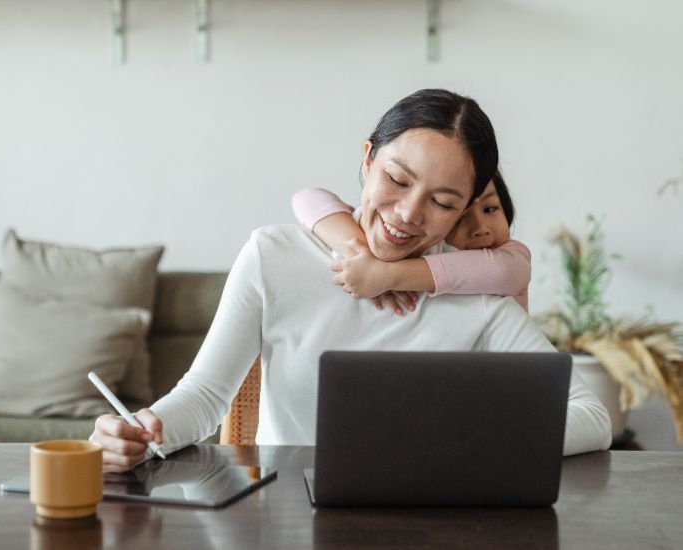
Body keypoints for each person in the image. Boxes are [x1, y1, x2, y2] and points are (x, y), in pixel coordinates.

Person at [91, 89, 611, 472]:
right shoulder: (274, 256)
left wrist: (474, 439)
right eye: (397, 179)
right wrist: (140, 430)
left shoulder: (476, 294)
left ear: (465, 210)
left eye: (443, 202)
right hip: (286, 520)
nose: (408, 214)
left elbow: (591, 416)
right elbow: (205, 397)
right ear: (366, 160)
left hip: (428, 524)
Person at [291, 169, 530, 314]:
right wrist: (362, 254)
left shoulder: (512, 256)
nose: (480, 229)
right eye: (460, 217)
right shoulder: (428, 250)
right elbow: (307, 197)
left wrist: (387, 274)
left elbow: (505, 273)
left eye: (491, 209)